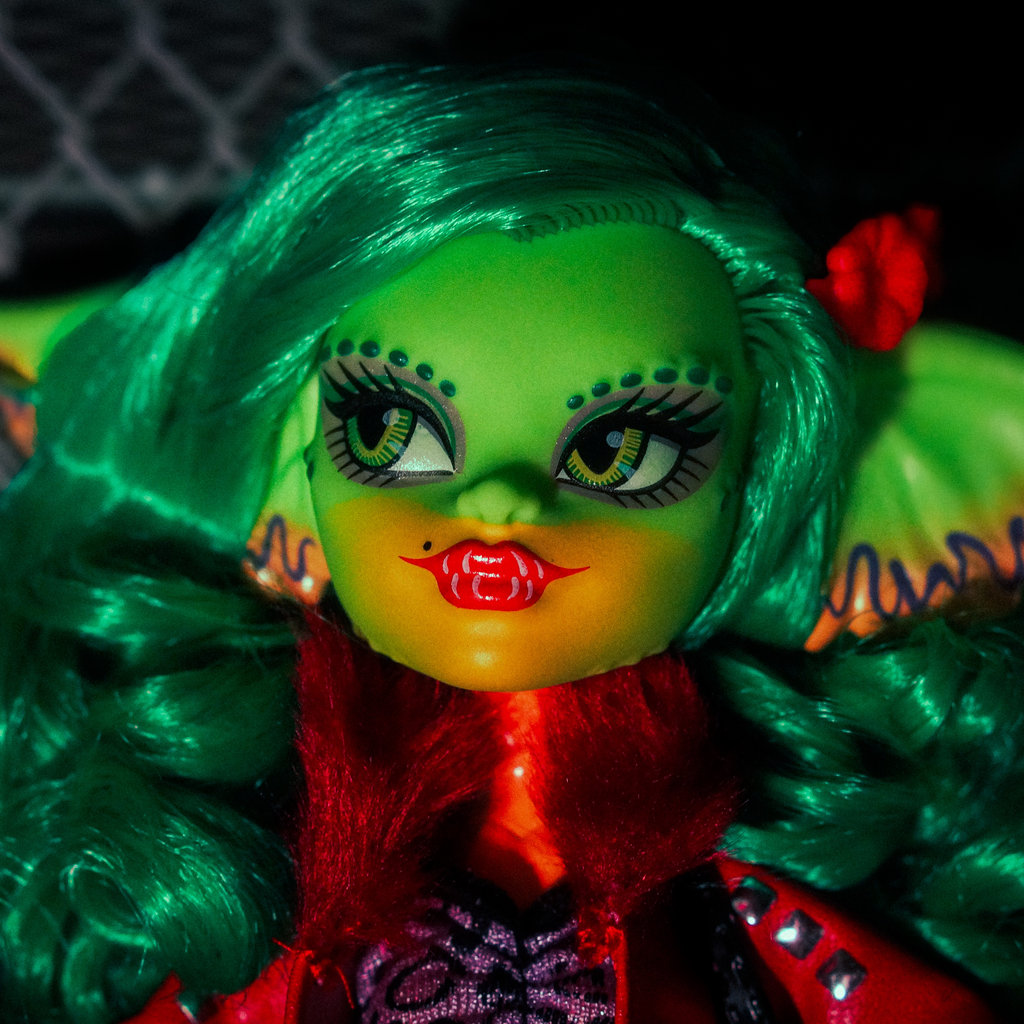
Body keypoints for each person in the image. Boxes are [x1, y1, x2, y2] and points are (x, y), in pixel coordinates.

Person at [1, 65, 1020, 1024]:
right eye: (389, 431)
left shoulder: (777, 867)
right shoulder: (230, 848)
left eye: (620, 449)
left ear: (757, 481)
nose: (497, 504)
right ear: (294, 464)